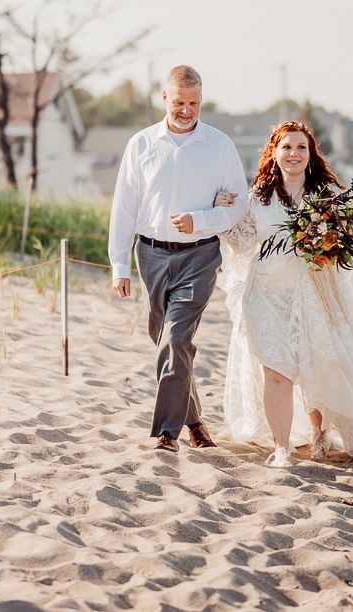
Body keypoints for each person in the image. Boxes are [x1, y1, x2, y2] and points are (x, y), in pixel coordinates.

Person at [216, 121, 353, 469]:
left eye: (301, 147)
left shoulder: (329, 194)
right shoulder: (259, 195)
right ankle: (282, 448)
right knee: (276, 371)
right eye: (286, 147)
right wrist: (223, 213)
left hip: (313, 293)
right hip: (265, 295)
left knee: (316, 366)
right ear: (273, 153)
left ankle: (320, 433)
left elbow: (352, 240)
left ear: (311, 154)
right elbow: (245, 242)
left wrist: (325, 244)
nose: (293, 154)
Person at [109, 65, 248, 453]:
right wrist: (119, 265)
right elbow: (123, 208)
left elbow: (238, 206)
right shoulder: (140, 144)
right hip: (150, 255)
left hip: (200, 257)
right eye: (180, 102)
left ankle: (167, 433)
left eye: (195, 102)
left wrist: (199, 220)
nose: (187, 110)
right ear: (165, 98)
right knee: (169, 345)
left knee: (175, 338)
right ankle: (195, 422)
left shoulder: (220, 146)